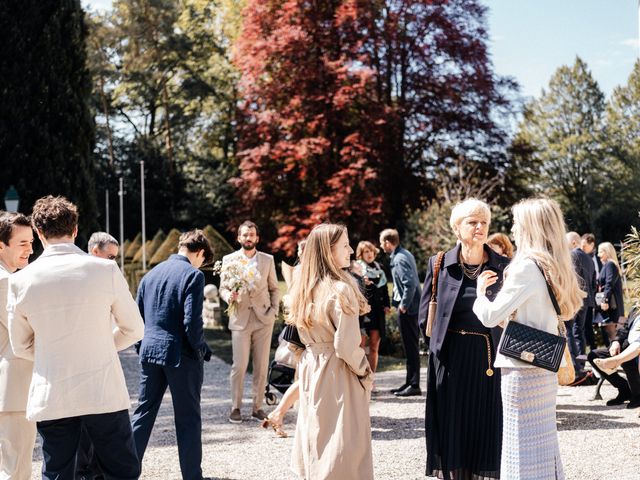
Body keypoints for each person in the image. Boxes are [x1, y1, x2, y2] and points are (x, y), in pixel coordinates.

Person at [7, 195, 144, 479]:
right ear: (76, 230)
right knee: (121, 471)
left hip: (52, 394)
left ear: (39, 232)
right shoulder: (105, 269)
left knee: (58, 473)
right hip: (103, 391)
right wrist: (104, 347)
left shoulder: (21, 280)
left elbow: (21, 345)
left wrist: (52, 353)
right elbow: (134, 328)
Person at [474, 198, 583, 480]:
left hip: (519, 368)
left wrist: (480, 294)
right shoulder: (553, 266)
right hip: (544, 366)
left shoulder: (526, 268)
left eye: (517, 223)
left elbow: (489, 317)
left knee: (518, 448)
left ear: (531, 228)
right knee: (543, 447)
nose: (513, 229)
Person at [418, 198, 507, 480]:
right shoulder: (439, 263)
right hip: (450, 359)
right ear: (457, 228)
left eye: (484, 222)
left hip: (487, 357)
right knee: (452, 425)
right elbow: (424, 316)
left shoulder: (503, 266)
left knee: (483, 424)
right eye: (472, 222)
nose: (480, 227)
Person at [288, 223, 373, 479]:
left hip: (311, 367)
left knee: (316, 437)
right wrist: (364, 371)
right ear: (328, 250)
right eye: (345, 245)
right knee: (344, 445)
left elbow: (297, 342)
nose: (350, 251)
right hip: (337, 370)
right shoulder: (341, 289)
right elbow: (346, 344)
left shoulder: (303, 289)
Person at [131, 229, 214, 480]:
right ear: (199, 253)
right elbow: (192, 323)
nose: (201, 264)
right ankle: (192, 476)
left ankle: (123, 472)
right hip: (182, 356)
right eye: (203, 259)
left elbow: (137, 319)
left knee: (143, 414)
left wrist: (141, 347)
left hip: (150, 352)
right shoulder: (193, 275)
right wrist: (200, 349)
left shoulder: (150, 275)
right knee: (188, 419)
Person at [220, 221, 280, 423]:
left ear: (257, 238)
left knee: (262, 366)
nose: (248, 238)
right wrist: (229, 296)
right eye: (245, 235)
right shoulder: (229, 260)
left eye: (252, 235)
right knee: (239, 365)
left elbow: (274, 288)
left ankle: (257, 407)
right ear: (239, 238)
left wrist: (274, 311)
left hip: (264, 319)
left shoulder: (268, 260)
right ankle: (235, 407)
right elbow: (222, 288)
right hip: (240, 319)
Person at [75, 231, 121, 480]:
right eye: (111, 256)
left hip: (104, 353)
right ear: (95, 251)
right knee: (83, 418)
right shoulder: (80, 276)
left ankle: (95, 468)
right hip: (84, 356)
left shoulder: (110, 275)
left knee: (101, 416)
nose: (114, 262)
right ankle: (83, 469)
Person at [0, 211, 35, 480]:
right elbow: (28, 333)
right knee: (15, 470)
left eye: (31, 242)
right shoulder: (6, 282)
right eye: (22, 244)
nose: (30, 250)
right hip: (11, 391)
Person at [379, 229, 422, 396]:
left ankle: (414, 384)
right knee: (409, 347)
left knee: (410, 347)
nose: (381, 246)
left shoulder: (399, 259)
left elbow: (409, 283)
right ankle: (409, 382)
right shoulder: (404, 254)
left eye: (382, 242)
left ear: (388, 243)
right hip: (411, 308)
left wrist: (403, 305)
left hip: (410, 309)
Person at [588, 307, 640, 408]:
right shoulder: (635, 309)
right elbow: (624, 330)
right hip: (624, 346)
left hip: (635, 350)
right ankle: (624, 389)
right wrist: (616, 341)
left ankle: (637, 394)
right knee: (594, 356)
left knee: (626, 356)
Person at [355, 241, 390, 389]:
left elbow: (384, 290)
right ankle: (359, 377)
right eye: (365, 252)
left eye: (371, 251)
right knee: (360, 346)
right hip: (362, 313)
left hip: (377, 313)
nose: (369, 254)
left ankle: (371, 379)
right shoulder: (356, 269)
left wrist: (387, 305)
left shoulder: (379, 268)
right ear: (361, 254)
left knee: (374, 347)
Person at [565, 231, 596, 381]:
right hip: (587, 300)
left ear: (573, 243)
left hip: (574, 297)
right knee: (580, 332)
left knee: (569, 330)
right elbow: (593, 283)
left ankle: (574, 365)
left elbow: (570, 278)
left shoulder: (571, 255)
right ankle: (581, 362)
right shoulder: (590, 259)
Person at [596, 242, 625, 345]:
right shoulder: (610, 265)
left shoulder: (609, 264)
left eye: (600, 252)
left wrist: (604, 300)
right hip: (614, 306)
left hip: (611, 307)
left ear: (607, 252)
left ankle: (616, 360)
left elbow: (609, 283)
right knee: (614, 336)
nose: (598, 254)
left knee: (613, 336)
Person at [581, 233, 601, 351]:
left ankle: (593, 349)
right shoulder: (584, 257)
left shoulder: (596, 259)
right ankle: (591, 349)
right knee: (586, 325)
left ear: (592, 244)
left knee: (589, 324)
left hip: (594, 295)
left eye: (584, 245)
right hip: (589, 295)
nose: (582, 247)